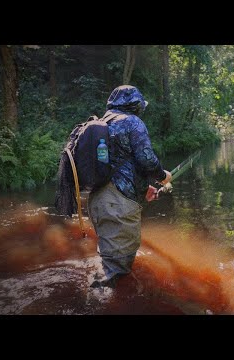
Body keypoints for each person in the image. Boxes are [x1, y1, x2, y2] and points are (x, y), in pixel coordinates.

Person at [88, 85, 171, 289]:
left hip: (98, 200)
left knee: (108, 257)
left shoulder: (102, 123)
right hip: (119, 202)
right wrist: (163, 176)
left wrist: (144, 190)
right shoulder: (132, 122)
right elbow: (147, 160)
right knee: (119, 269)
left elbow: (120, 164)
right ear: (135, 106)